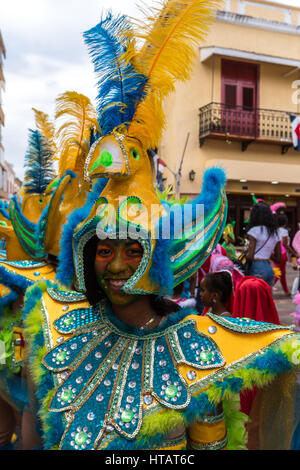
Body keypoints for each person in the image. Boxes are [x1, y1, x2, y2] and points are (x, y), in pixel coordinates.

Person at [18, 6, 300, 452]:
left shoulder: (200, 352)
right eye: (104, 249)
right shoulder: (57, 321)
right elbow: (32, 430)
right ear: (86, 252)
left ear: (161, 255)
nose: (115, 265)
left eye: (133, 250)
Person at [246, 202, 281, 287]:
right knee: (266, 298)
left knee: (255, 298)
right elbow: (278, 259)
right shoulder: (275, 232)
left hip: (256, 268)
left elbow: (250, 256)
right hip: (269, 269)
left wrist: (245, 254)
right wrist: (267, 252)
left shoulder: (254, 230)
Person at [273, 214, 298, 296]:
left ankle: (286, 290)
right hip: (282, 254)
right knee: (279, 273)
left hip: (276, 253)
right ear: (285, 222)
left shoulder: (275, 230)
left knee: (282, 273)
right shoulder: (284, 231)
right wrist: (293, 253)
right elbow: (285, 244)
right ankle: (267, 287)